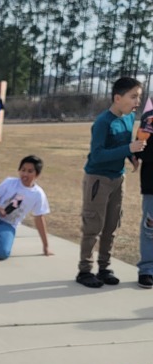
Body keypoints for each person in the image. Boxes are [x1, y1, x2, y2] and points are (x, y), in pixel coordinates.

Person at [76, 76, 144, 288]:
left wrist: (131, 157)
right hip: (98, 180)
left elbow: (123, 144)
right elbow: (97, 156)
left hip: (117, 179)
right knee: (93, 225)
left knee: (111, 225)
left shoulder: (129, 118)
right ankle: (85, 270)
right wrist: (128, 150)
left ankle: (104, 267)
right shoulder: (102, 122)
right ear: (117, 97)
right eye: (133, 97)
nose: (137, 102)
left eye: (139, 97)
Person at [0, 155, 52, 262]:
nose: (25, 174)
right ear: (19, 170)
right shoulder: (9, 182)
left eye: (30, 171)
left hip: (8, 225)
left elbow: (39, 219)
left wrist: (46, 246)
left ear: (37, 174)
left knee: (2, 254)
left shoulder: (38, 194)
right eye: (23, 170)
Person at [135, 97, 153, 287]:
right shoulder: (150, 117)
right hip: (152, 184)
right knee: (150, 229)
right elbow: (141, 150)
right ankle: (147, 268)